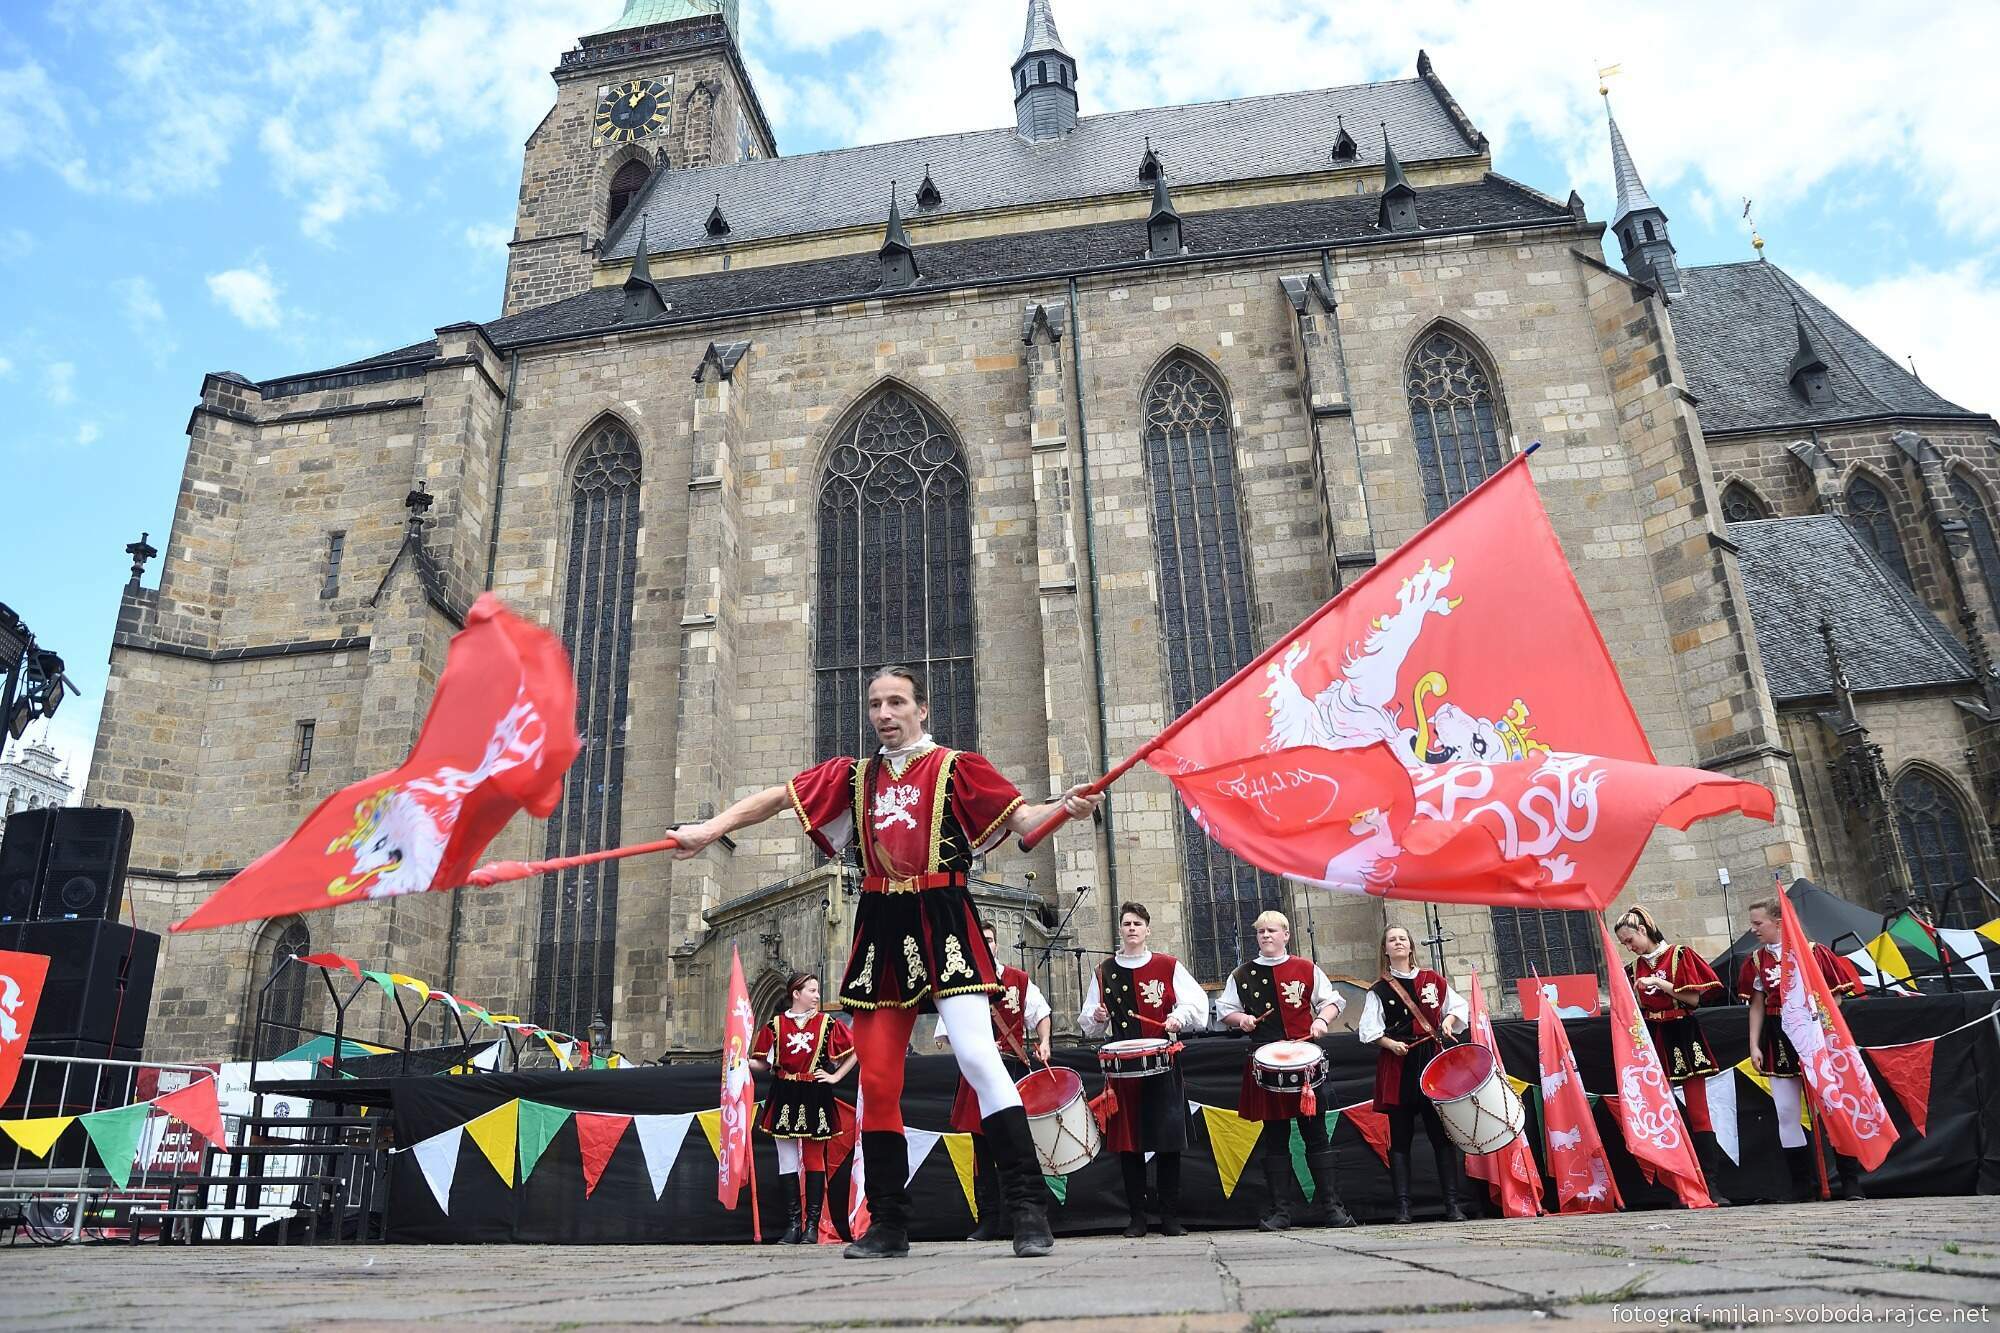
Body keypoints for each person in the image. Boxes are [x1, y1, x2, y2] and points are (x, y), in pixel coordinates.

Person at [670, 665, 1100, 1259]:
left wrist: (1065, 807)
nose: (884, 714)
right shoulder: (853, 777)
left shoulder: (958, 767)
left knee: (978, 1054)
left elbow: (1026, 820)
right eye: (875, 704)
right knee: (876, 1079)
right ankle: (890, 1223)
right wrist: (708, 829)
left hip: (943, 911)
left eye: (896, 702)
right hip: (879, 920)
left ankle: (1028, 1209)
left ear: (922, 710)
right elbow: (775, 798)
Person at [1214, 910, 1353, 1230]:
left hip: (1305, 1063)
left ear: (1286, 935)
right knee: (1274, 1138)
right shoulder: (1242, 974)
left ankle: (1331, 1207)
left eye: (1272, 931)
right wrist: (1242, 1020)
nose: (1266, 936)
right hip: (1266, 1063)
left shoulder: (1305, 968)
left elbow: (1332, 1001)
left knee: (1316, 1135)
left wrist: (1321, 1020)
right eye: (1261, 931)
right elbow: (1227, 1011)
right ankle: (1281, 1211)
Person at [1078, 901, 1208, 1237]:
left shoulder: (1168, 965)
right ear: (1120, 930)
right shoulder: (1104, 971)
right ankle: (1136, 1217)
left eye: (1137, 923)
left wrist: (1179, 1016)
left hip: (1163, 1061)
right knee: (1129, 1145)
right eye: (1126, 923)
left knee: (1167, 1142)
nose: (1132, 928)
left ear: (1148, 929)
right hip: (1123, 1069)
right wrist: (1096, 1017)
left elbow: (1196, 1002)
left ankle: (1169, 1217)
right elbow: (1088, 1021)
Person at [1739, 897, 1868, 1201]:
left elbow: (1834, 999)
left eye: (1759, 923)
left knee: (1832, 1106)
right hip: (1777, 1035)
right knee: (1786, 1111)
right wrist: (1754, 1044)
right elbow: (1756, 1007)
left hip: (1813, 1034)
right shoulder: (1756, 961)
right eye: (1752, 923)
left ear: (1779, 922)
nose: (1754, 929)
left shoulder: (1813, 953)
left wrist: (1812, 1020)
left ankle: (1850, 1181)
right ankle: (1803, 1185)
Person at [937, 923, 1052, 1241]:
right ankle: (989, 1219)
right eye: (980, 941)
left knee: (1016, 1145)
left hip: (1012, 1072)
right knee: (983, 1153)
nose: (986, 945)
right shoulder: (961, 982)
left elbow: (1040, 1013)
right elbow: (944, 1033)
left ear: (997, 944)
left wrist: (1045, 1041)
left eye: (990, 940)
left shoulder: (1018, 979)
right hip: (977, 1077)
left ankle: (1026, 1217)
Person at [1612, 904, 1732, 1205]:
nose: (1629, 948)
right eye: (1624, 944)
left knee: (1698, 1112)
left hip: (1683, 1032)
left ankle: (1710, 1186)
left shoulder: (1679, 956)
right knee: (1660, 1111)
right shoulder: (1632, 970)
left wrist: (1658, 982)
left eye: (1630, 940)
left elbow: (1693, 998)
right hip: (1654, 1037)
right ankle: (1678, 1185)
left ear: (1643, 930)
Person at [1356, 923, 1469, 1223]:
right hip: (1399, 1063)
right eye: (1392, 939)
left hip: (1432, 1061)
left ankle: (1452, 1205)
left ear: (1410, 946)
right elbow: (1368, 1030)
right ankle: (1403, 1208)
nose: (1397, 943)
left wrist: (1448, 1022)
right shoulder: (1379, 989)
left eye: (1402, 939)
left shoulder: (1433, 980)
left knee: (1441, 1137)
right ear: (1385, 948)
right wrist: (1390, 1043)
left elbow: (1458, 1006)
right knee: (1401, 1137)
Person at [748, 972, 858, 1243]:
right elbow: (762, 1063)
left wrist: (835, 1076)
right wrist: (738, 1059)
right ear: (796, 994)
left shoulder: (826, 1023)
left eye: (817, 990)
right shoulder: (775, 1026)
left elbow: (857, 1049)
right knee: (786, 1160)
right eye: (811, 990)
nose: (817, 995)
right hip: (784, 1092)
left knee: (813, 1159)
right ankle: (793, 1225)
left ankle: (811, 1226)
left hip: (814, 1093)